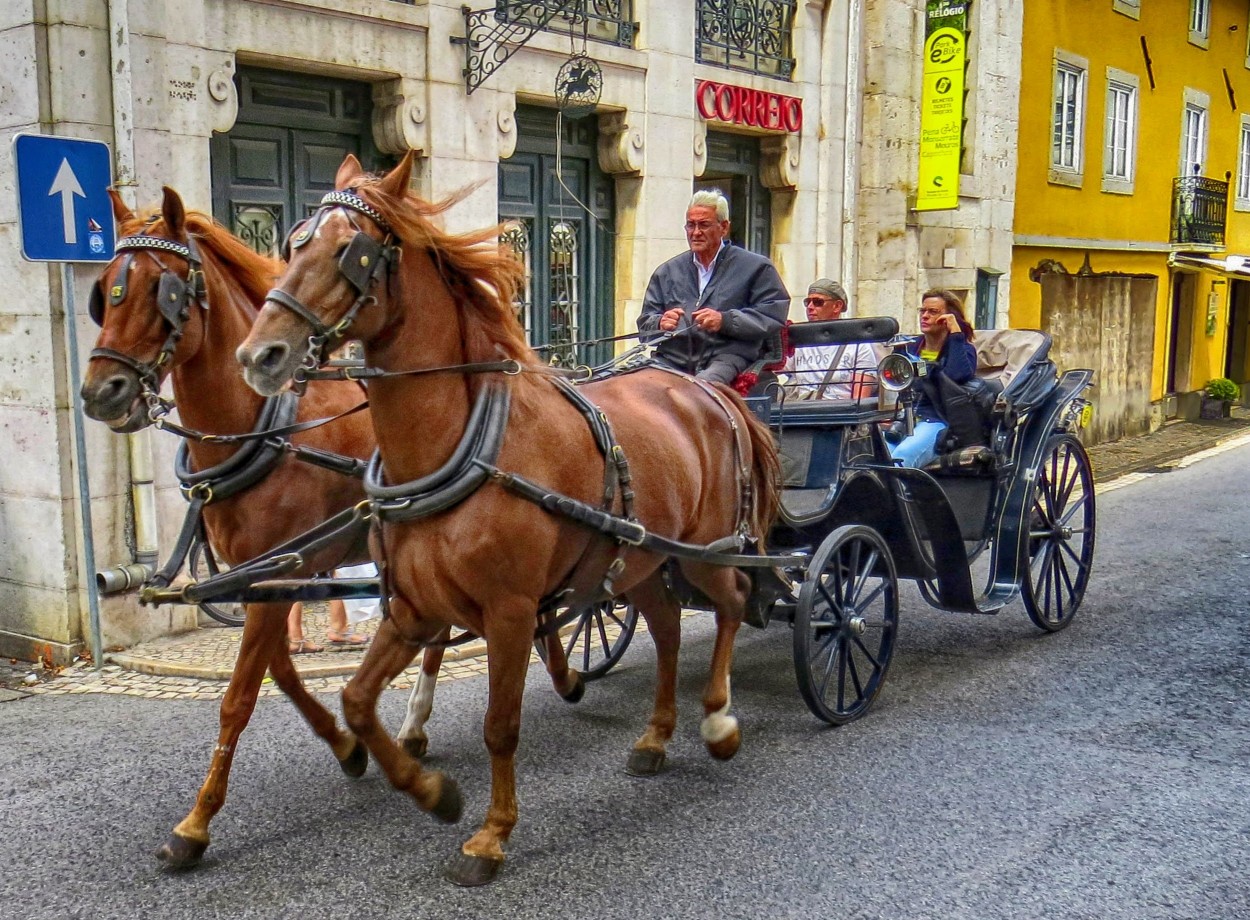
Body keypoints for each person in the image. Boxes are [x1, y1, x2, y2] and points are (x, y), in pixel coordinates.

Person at [638, 189, 789, 385]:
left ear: (723, 227)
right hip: (672, 358)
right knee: (634, 387)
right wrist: (659, 323)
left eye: (704, 225)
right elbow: (644, 325)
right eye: (691, 225)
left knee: (699, 390)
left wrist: (724, 320)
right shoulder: (667, 271)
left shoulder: (756, 267)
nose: (696, 232)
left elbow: (772, 315)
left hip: (727, 356)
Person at [888, 289, 978, 469]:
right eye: (923, 311)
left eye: (933, 312)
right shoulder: (910, 347)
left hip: (937, 421)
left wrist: (956, 334)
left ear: (948, 317)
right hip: (904, 419)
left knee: (900, 458)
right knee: (873, 456)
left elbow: (957, 376)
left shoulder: (962, 348)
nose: (925, 316)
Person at [788, 279, 879, 400]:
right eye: (807, 302)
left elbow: (860, 401)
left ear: (837, 306)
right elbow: (774, 366)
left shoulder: (858, 346)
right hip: (803, 413)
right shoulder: (800, 342)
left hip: (839, 414)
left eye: (817, 302)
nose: (810, 307)